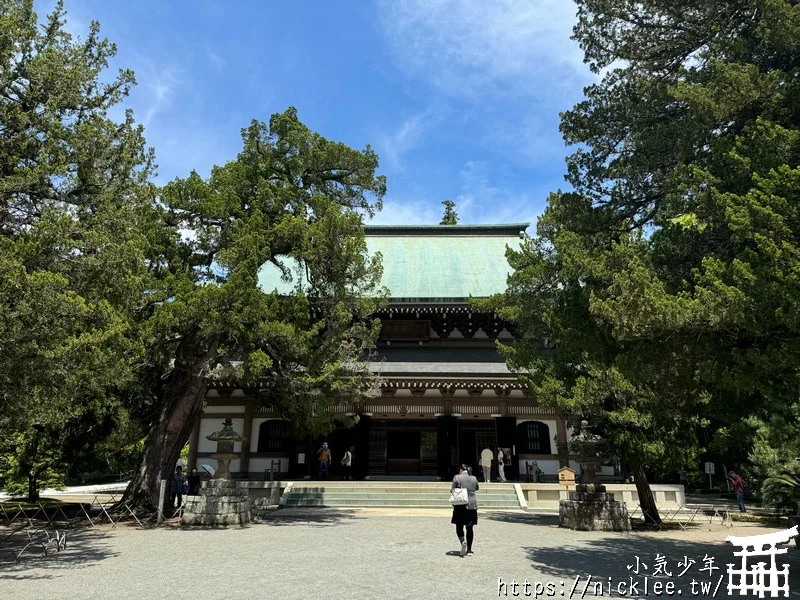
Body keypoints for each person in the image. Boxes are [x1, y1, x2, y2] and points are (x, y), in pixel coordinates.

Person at [451, 464, 480, 557]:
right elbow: (477, 488)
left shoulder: (457, 477)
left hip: (460, 505)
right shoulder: (473, 478)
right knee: (470, 528)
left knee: (459, 527)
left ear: (460, 470)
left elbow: (452, 490)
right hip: (471, 505)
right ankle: (469, 550)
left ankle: (463, 541)